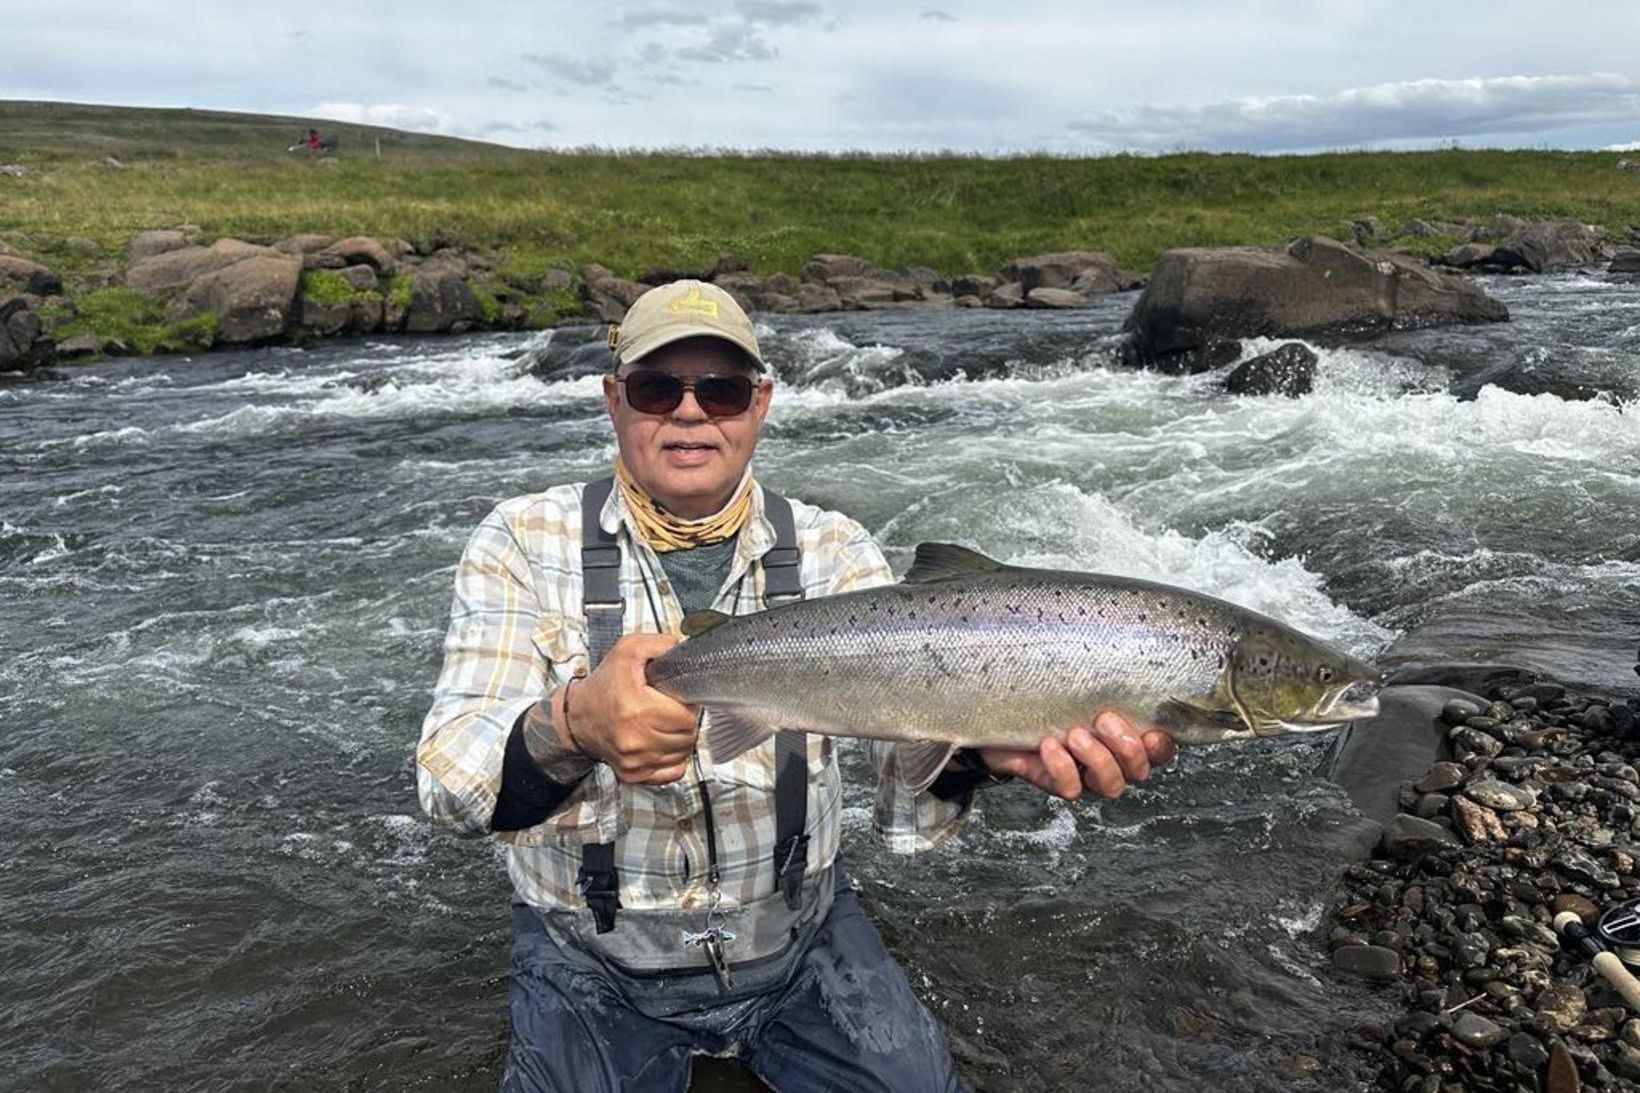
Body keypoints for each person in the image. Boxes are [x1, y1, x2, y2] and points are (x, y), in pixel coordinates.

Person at [416, 279, 1176, 1092]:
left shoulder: (833, 551)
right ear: (612, 400)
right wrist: (570, 724)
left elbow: (900, 806)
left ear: (762, 402)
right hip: (588, 954)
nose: (689, 411)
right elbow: (449, 784)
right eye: (655, 387)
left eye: (722, 388)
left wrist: (978, 752)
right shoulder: (520, 541)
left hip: (799, 938)